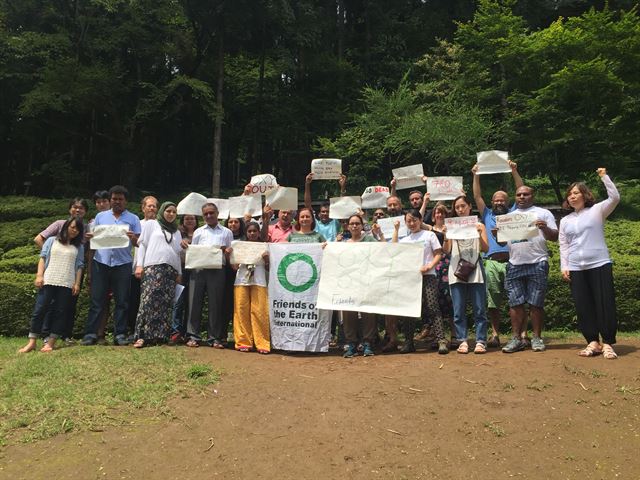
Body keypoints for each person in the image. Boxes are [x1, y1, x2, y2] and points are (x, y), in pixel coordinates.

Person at [559, 168, 620, 359]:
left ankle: (608, 342)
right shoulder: (565, 220)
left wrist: (604, 177)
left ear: (585, 195)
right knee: (583, 305)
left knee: (605, 303)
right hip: (576, 267)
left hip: (599, 263)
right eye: (569, 194)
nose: (572, 196)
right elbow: (564, 245)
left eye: (576, 193)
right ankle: (592, 341)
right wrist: (564, 266)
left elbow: (615, 197)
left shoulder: (597, 210)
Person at [472, 160, 523, 348]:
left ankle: (521, 333)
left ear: (508, 202)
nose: (499, 202)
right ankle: (495, 334)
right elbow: (477, 195)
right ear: (492, 202)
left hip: (513, 262)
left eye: (502, 199)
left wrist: (514, 171)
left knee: (516, 300)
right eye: (496, 200)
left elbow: (521, 189)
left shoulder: (513, 213)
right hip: (491, 263)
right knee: (493, 302)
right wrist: (476, 175)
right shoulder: (486, 215)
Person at [81, 185, 141, 346]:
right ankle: (90, 334)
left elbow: (138, 243)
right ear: (110, 200)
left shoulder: (133, 219)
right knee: (97, 300)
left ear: (126, 201)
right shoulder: (101, 216)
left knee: (122, 301)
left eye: (120, 199)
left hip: (123, 264)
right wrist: (89, 238)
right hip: (101, 262)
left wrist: (133, 237)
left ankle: (119, 334)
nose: (117, 202)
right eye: (114, 199)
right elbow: (94, 241)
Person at [501, 186, 558, 353]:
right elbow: (503, 243)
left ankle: (537, 338)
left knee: (536, 302)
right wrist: (498, 233)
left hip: (537, 261)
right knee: (515, 302)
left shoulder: (543, 213)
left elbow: (554, 237)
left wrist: (544, 228)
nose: (522, 197)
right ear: (515, 197)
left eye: (525, 194)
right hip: (514, 263)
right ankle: (516, 338)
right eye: (518, 194)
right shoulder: (508, 217)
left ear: (532, 196)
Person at [18, 217, 84, 353]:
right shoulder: (51, 241)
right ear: (66, 227)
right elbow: (43, 258)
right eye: (72, 227)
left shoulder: (79, 247)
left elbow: (79, 266)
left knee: (60, 312)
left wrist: (77, 283)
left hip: (66, 283)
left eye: (77, 229)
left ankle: (51, 342)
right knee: (39, 310)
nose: (74, 230)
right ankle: (32, 342)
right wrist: (39, 275)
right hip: (48, 280)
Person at [34, 197, 89, 343]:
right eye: (75, 207)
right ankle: (46, 333)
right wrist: (53, 255)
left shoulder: (86, 228)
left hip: (73, 272)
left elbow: (82, 258)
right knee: (49, 304)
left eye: (81, 208)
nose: (78, 210)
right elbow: (39, 239)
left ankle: (65, 334)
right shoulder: (59, 224)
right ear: (69, 209)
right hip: (54, 272)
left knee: (69, 304)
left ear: (86, 211)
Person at [394, 209, 449, 354]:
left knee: (433, 307)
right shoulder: (405, 240)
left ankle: (441, 340)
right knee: (409, 309)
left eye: (414, 220)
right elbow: (394, 251)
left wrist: (430, 265)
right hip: (410, 278)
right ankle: (408, 342)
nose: (412, 223)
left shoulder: (429, 235)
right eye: (408, 221)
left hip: (428, 275)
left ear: (420, 220)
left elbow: (438, 253)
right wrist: (396, 229)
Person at [442, 196, 490, 354]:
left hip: (475, 269)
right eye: (457, 207)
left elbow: (485, 248)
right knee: (458, 309)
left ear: (470, 206)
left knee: (479, 308)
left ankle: (481, 340)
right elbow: (446, 250)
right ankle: (462, 340)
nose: (460, 209)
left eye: (463, 206)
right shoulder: (452, 226)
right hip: (456, 270)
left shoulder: (479, 225)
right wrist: (445, 236)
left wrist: (478, 233)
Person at [133, 202, 182, 348]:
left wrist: (179, 272)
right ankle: (142, 336)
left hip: (170, 270)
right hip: (152, 267)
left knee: (165, 303)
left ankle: (160, 336)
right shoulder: (151, 224)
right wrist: (139, 265)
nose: (171, 214)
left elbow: (178, 254)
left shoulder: (177, 232)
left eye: (174, 212)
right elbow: (142, 245)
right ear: (162, 211)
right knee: (148, 301)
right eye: (168, 211)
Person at [185, 202, 233, 348]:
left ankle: (214, 338)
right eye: (206, 214)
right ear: (203, 215)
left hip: (218, 270)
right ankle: (193, 336)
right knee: (194, 303)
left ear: (217, 214)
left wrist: (227, 252)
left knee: (216, 304)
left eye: (211, 213)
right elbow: (193, 251)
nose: (209, 216)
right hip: (199, 269)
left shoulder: (226, 232)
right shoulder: (199, 232)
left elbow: (230, 254)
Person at [415, 203, 454, 346]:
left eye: (443, 212)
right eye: (437, 212)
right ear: (433, 215)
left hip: (445, 266)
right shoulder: (429, 229)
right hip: (430, 268)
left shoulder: (451, 229)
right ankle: (434, 334)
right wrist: (425, 201)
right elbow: (415, 217)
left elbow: (447, 251)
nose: (440, 215)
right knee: (431, 301)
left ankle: (454, 335)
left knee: (448, 299)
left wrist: (446, 234)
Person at [342, 214, 380, 358]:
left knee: (368, 311)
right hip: (349, 283)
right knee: (348, 311)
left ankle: (367, 343)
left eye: (357, 223)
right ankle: (351, 343)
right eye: (352, 223)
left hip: (367, 281)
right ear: (348, 226)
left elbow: (381, 253)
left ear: (362, 226)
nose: (354, 226)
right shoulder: (343, 244)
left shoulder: (370, 240)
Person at [232, 221, 271, 354]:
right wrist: (229, 255)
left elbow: (269, 268)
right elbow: (234, 267)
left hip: (259, 280)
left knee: (260, 311)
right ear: (246, 233)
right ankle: (243, 342)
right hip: (242, 280)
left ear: (259, 233)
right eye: (250, 231)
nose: (252, 233)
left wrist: (266, 259)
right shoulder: (240, 246)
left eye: (255, 231)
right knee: (241, 310)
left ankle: (262, 343)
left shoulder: (264, 246)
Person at [128, 196, 159, 336]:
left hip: (154, 270)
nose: (152, 208)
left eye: (154, 206)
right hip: (136, 268)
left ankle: (149, 331)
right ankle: (132, 330)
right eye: (149, 206)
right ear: (143, 208)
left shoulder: (161, 226)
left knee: (151, 302)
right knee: (133, 300)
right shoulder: (136, 224)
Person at [170, 214, 198, 343]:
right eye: (187, 218)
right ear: (182, 221)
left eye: (192, 218)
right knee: (178, 301)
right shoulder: (177, 234)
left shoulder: (200, 233)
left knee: (192, 303)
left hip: (196, 270)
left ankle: (189, 332)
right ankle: (176, 331)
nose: (190, 221)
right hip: (181, 269)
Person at [303, 172, 347, 241]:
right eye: (323, 212)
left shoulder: (335, 223)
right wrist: (307, 184)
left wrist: (342, 188)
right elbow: (307, 205)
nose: (325, 214)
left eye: (327, 212)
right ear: (319, 214)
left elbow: (341, 205)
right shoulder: (315, 223)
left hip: (332, 250)